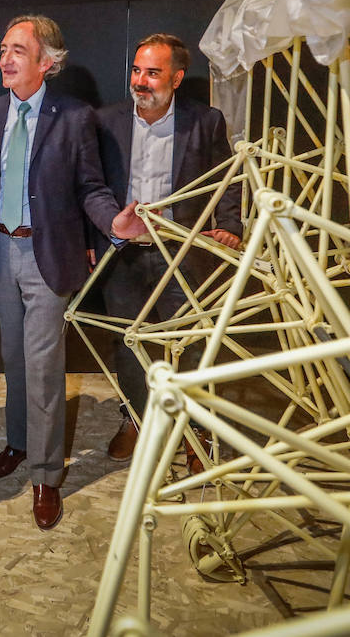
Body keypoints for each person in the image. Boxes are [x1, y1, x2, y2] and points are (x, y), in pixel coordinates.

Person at [0, 14, 118, 531]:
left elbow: (91, 189)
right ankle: (19, 440)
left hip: (48, 256)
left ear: (46, 63)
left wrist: (111, 225)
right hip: (0, 252)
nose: (5, 58)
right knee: (12, 358)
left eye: (17, 50)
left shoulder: (75, 118)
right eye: (3, 48)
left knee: (44, 367)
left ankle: (46, 476)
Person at [96, 34, 243, 461]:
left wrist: (230, 224)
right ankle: (136, 420)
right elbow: (93, 186)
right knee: (128, 341)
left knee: (191, 343)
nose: (141, 81)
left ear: (176, 78)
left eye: (153, 73)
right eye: (137, 71)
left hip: (180, 251)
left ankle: (195, 428)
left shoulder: (205, 121)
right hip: (123, 253)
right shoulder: (107, 120)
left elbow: (224, 178)